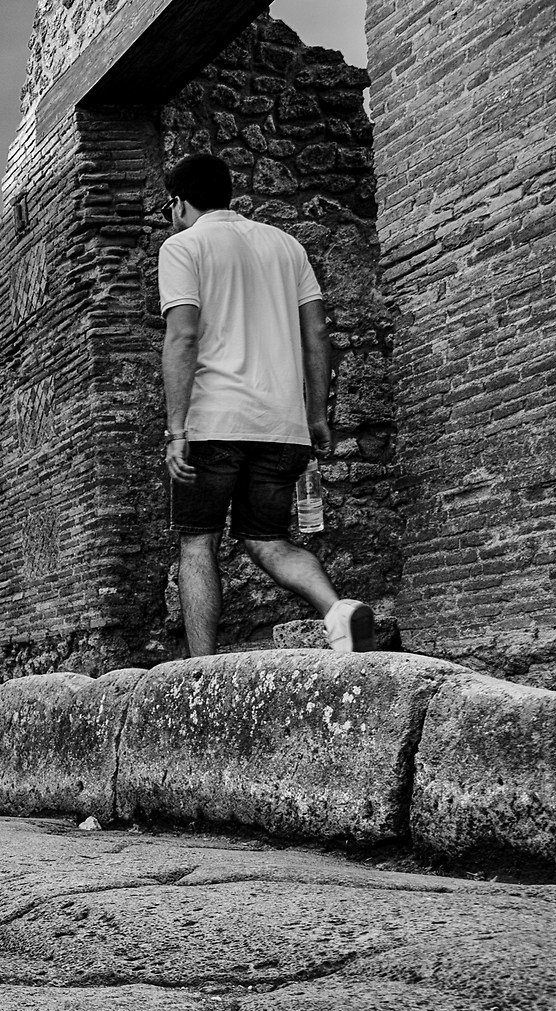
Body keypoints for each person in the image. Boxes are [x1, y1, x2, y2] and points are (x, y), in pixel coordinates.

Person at [160, 151, 375, 656]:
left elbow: (183, 338)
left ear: (179, 203)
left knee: (197, 543)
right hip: (283, 427)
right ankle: (337, 612)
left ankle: (200, 670)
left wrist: (176, 430)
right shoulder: (287, 246)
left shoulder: (183, 247)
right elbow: (317, 334)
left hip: (214, 424)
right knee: (268, 540)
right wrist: (317, 415)